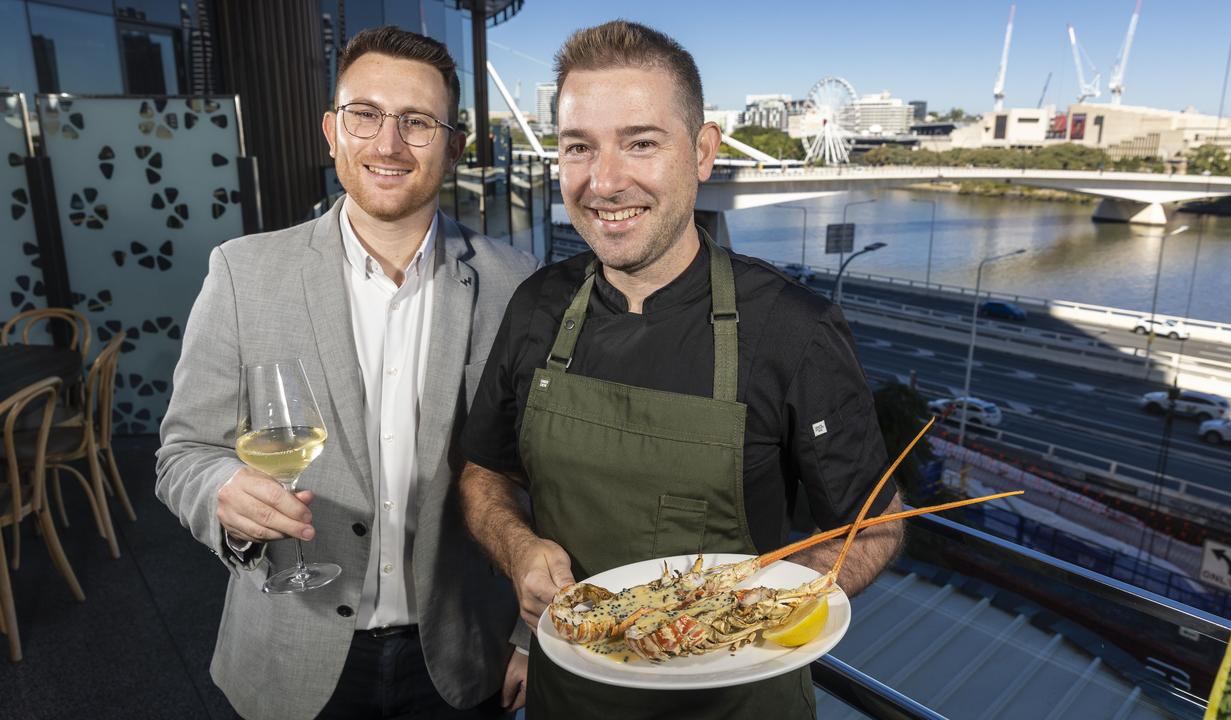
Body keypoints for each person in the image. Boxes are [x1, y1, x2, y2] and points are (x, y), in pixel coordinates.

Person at [458, 20, 904, 720]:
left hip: (737, 704)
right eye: (580, 148)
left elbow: (877, 522)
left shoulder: (795, 329)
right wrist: (517, 550)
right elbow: (484, 475)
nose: (605, 181)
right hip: (568, 698)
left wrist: (769, 611)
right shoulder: (538, 304)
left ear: (702, 152)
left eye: (640, 142)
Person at [156, 26, 536, 720]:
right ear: (332, 132)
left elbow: (544, 477)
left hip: (461, 652)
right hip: (290, 654)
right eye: (364, 115)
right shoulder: (243, 274)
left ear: (453, 148)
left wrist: (531, 635)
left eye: (417, 122)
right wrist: (224, 497)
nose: (387, 144)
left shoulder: (518, 284)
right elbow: (184, 453)